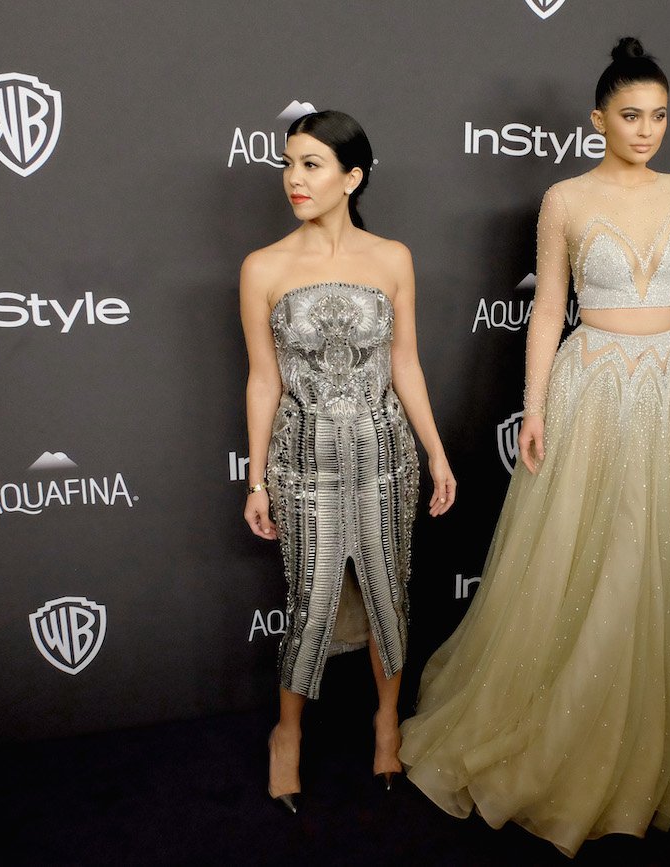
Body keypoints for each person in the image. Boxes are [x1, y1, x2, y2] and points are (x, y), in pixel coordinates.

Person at [398, 39, 670, 855]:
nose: (647, 130)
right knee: (585, 552)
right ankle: (560, 728)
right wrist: (533, 407)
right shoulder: (565, 198)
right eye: (631, 116)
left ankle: (650, 728)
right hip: (592, 383)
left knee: (661, 555)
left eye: (660, 116)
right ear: (598, 118)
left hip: (668, 386)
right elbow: (546, 310)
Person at [239, 110, 456, 814]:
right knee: (310, 600)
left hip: (386, 455)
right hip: (302, 462)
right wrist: (254, 477)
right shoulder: (263, 267)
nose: (293, 179)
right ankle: (287, 733)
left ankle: (386, 722)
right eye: (288, 163)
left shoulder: (392, 257)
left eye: (311, 165)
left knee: (391, 593)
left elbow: (407, 365)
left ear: (351, 177)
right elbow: (263, 379)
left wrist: (436, 449)